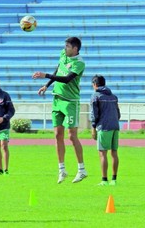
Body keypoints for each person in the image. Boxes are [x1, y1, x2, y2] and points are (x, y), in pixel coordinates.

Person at [32, 37, 87, 184]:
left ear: (75, 48)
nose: (65, 48)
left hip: (70, 102)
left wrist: (46, 75)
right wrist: (47, 84)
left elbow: (67, 78)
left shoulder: (79, 63)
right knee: (57, 134)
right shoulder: (64, 54)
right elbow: (59, 68)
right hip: (57, 99)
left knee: (72, 135)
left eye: (68, 46)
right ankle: (62, 170)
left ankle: (81, 169)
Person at [90, 75, 121, 186]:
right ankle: (114, 179)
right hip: (115, 126)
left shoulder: (96, 96)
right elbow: (118, 114)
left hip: (104, 127)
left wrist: (93, 128)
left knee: (102, 153)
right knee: (114, 152)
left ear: (95, 84)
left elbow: (94, 114)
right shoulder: (113, 96)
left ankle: (104, 180)